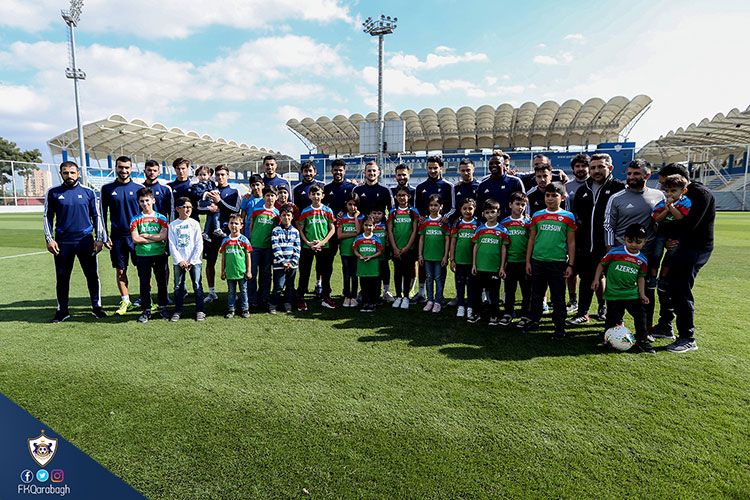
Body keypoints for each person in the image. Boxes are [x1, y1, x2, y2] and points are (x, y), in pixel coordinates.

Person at [651, 163, 714, 353]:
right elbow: (666, 220)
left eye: (667, 184)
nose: (666, 190)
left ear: (680, 180)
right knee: (665, 286)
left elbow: (690, 224)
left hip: (694, 249)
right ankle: (665, 326)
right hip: (678, 247)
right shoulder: (677, 195)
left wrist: (673, 238)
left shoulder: (700, 194)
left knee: (680, 289)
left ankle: (687, 337)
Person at [602, 158, 664, 327]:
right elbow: (608, 225)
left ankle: (646, 329)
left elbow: (664, 222)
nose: (631, 177)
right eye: (629, 173)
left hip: (648, 254)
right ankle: (615, 327)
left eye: (636, 173)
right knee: (618, 292)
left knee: (647, 293)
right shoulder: (616, 198)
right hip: (621, 255)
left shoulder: (659, 196)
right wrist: (611, 251)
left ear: (647, 174)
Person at [43, 160, 106, 322]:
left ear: (78, 173)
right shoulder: (53, 192)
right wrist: (49, 240)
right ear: (61, 174)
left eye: (72, 172)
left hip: (85, 241)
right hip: (63, 242)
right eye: (65, 172)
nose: (69, 175)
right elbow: (47, 218)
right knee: (62, 277)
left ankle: (97, 307)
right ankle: (62, 310)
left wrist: (99, 239)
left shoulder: (89, 192)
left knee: (92, 275)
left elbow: (97, 216)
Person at [570, 153, 625, 324]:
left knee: (612, 282)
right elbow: (577, 218)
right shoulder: (582, 190)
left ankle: (610, 314)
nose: (596, 171)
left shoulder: (619, 188)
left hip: (610, 246)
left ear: (610, 167)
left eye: (600, 166)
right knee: (586, 279)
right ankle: (582, 313)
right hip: (586, 246)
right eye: (593, 167)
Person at [592, 223, 654, 354]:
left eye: (638, 242)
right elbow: (601, 265)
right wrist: (596, 279)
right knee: (612, 319)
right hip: (614, 294)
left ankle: (642, 341)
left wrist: (642, 294)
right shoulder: (615, 252)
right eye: (630, 241)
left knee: (641, 316)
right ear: (624, 239)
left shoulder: (642, 260)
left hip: (632, 294)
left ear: (644, 242)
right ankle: (608, 339)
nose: (633, 244)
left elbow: (641, 277)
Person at [525, 183, 576, 339]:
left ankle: (559, 327)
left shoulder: (568, 217)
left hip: (557, 262)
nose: (550, 198)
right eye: (548, 195)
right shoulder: (537, 215)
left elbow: (571, 242)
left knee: (558, 296)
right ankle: (534, 320)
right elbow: (532, 239)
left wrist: (570, 264)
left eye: (554, 195)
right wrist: (528, 261)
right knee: (537, 294)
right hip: (538, 261)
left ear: (562, 197)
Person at [101, 156, 144, 315]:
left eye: (127, 167)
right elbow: (101, 214)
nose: (124, 170)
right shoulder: (107, 189)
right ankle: (125, 301)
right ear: (116, 168)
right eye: (121, 167)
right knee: (120, 270)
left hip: (137, 237)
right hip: (117, 237)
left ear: (131, 168)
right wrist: (104, 236)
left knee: (143, 269)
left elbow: (146, 212)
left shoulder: (139, 187)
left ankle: (145, 299)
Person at [130, 187, 170, 323]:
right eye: (142, 201)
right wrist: (155, 237)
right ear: (138, 202)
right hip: (142, 255)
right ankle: (146, 310)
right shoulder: (135, 219)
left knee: (162, 282)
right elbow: (136, 239)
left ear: (153, 200)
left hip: (159, 254)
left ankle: (163, 307)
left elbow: (164, 236)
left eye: (147, 200)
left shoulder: (161, 218)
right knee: (144, 283)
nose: (145, 203)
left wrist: (146, 235)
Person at [202, 165, 241, 303]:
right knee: (210, 262)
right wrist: (208, 207)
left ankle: (233, 291)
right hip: (211, 233)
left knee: (231, 262)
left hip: (227, 232)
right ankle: (211, 292)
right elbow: (200, 207)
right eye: (218, 175)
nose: (220, 177)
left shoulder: (233, 192)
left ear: (228, 175)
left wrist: (220, 202)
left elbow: (236, 210)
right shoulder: (210, 190)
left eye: (223, 174)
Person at [295, 184, 337, 311]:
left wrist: (322, 242)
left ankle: (326, 297)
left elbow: (332, 228)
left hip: (323, 246)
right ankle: (301, 298)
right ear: (309, 196)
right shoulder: (305, 211)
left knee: (325, 272)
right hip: (308, 247)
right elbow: (300, 229)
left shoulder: (328, 211)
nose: (316, 196)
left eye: (318, 194)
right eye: (313, 194)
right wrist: (308, 242)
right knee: (304, 272)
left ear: (323, 195)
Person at [468, 199, 509, 325]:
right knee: (477, 293)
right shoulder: (480, 229)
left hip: (494, 268)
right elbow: (475, 247)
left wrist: (502, 267)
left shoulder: (502, 230)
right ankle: (476, 313)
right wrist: (474, 264)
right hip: (480, 267)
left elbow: (504, 249)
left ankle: (494, 315)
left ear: (498, 213)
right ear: (483, 214)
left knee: (493, 295)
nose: (490, 215)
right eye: (487, 212)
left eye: (493, 212)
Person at [168, 197, 205, 321]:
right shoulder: (173, 225)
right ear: (178, 209)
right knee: (178, 286)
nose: (188, 209)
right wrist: (180, 261)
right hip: (179, 262)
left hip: (194, 261)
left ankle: (200, 310)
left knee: (197, 285)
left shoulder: (194, 223)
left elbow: (199, 243)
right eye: (185, 207)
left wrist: (192, 260)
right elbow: (172, 245)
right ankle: (177, 310)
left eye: (190, 207)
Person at [650, 174, 691, 287]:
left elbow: (679, 217)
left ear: (684, 190)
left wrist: (671, 207)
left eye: (673, 191)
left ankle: (662, 278)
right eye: (667, 191)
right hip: (661, 233)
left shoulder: (685, 202)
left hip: (676, 234)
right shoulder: (662, 203)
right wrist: (665, 210)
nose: (669, 194)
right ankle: (653, 277)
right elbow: (657, 218)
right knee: (656, 255)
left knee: (670, 256)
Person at [499, 192, 531, 327]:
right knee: (509, 290)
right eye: (517, 204)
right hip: (510, 263)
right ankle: (508, 313)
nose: (520, 207)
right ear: (510, 205)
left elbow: (531, 242)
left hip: (524, 263)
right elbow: (502, 246)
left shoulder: (528, 222)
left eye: (523, 204)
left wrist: (529, 261)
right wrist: (502, 265)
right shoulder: (504, 223)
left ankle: (525, 315)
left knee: (526, 291)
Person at [564, 154, 590, 313]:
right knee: (570, 268)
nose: (580, 169)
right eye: (577, 166)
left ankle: (602, 305)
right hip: (572, 235)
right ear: (573, 168)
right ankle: (573, 299)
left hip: (590, 236)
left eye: (583, 166)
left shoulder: (594, 185)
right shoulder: (567, 186)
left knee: (593, 272)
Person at [248, 186, 280, 312]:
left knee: (266, 274)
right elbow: (251, 226)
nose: (270, 198)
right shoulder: (256, 210)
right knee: (252, 274)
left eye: (272, 195)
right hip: (255, 247)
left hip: (268, 248)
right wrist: (251, 241)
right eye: (267, 195)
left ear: (276, 197)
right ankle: (252, 299)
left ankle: (264, 299)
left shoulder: (277, 213)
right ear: (263, 197)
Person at [387, 186, 419, 310]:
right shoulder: (393, 212)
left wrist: (407, 247)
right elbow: (390, 230)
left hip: (409, 249)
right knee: (397, 273)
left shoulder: (413, 211)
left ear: (408, 196)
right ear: (396, 197)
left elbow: (414, 231)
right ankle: (398, 296)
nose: (401, 197)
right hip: (396, 248)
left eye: (403, 195)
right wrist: (394, 248)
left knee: (407, 273)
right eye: (399, 195)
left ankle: (406, 297)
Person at [418, 194, 450, 313]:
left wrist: (445, 256)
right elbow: (421, 239)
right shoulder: (425, 222)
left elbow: (447, 240)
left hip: (439, 257)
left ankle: (438, 301)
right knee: (429, 278)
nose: (433, 207)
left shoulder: (443, 222)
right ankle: (430, 300)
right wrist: (420, 255)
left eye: (435, 205)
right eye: (431, 205)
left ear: (441, 206)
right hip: (427, 256)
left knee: (438, 278)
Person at [449, 198, 478, 318]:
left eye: (470, 208)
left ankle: (470, 306)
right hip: (459, 260)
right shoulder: (458, 223)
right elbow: (453, 242)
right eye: (464, 208)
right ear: (460, 210)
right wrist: (452, 259)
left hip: (472, 262)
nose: (467, 211)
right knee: (460, 284)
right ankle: (461, 305)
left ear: (475, 209)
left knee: (471, 285)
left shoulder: (478, 223)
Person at [220, 214, 253, 319]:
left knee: (243, 291)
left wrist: (249, 271)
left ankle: (245, 309)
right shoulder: (225, 241)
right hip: (230, 272)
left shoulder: (244, 240)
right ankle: (231, 309)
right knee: (231, 292)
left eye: (236, 223)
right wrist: (222, 271)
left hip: (242, 271)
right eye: (231, 223)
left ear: (241, 225)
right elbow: (223, 257)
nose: (234, 226)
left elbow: (248, 256)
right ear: (228, 225)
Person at [270, 204, 300, 314]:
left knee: (290, 285)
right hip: (279, 264)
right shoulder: (276, 230)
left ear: (292, 217)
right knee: (278, 285)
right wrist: (283, 262)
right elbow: (275, 247)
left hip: (292, 265)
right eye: (283, 215)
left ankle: (288, 303)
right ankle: (273, 304)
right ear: (280, 216)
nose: (286, 217)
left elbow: (297, 248)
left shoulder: (296, 231)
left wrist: (292, 262)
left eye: (288, 215)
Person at [477, 151, 524, 220]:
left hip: (510, 224)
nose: (494, 165)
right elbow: (479, 208)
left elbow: (524, 202)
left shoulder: (515, 182)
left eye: (497, 163)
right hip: (491, 226)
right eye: (491, 163)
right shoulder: (483, 185)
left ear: (503, 165)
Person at [352, 216, 384, 313]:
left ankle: (372, 303)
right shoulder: (358, 238)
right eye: (366, 225)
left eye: (370, 225)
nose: (368, 227)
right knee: (364, 285)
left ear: (374, 226)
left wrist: (371, 256)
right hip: (362, 267)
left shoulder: (376, 239)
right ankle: (365, 302)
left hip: (373, 267)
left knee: (373, 285)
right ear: (362, 226)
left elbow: (380, 251)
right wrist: (359, 256)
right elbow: (354, 249)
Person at [337, 193, 362, 308]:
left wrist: (356, 217)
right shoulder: (342, 217)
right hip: (345, 251)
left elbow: (359, 230)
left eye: (355, 204)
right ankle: (347, 296)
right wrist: (352, 234)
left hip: (356, 251)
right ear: (346, 205)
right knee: (346, 274)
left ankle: (354, 296)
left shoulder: (361, 217)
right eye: (350, 204)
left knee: (355, 274)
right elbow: (339, 235)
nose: (352, 207)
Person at [191, 165, 223, 240]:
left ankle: (207, 232)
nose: (202, 176)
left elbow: (215, 189)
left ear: (209, 175)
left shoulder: (211, 183)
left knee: (212, 214)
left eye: (204, 174)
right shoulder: (196, 185)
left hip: (209, 202)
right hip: (202, 202)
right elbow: (198, 193)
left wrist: (215, 192)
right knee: (215, 211)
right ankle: (216, 228)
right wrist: (206, 193)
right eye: (200, 175)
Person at [371, 209, 394, 303]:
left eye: (379, 213)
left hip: (383, 255)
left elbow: (389, 237)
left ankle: (386, 291)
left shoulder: (385, 225)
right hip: (371, 255)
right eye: (374, 213)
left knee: (385, 271)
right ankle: (371, 291)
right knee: (373, 274)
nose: (376, 215)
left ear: (383, 215)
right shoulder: (368, 224)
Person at [451, 159, 479, 224]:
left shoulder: (480, 186)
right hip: (460, 224)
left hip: (476, 223)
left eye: (468, 170)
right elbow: (453, 207)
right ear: (459, 171)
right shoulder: (455, 188)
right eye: (463, 170)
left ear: (473, 170)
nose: (465, 173)